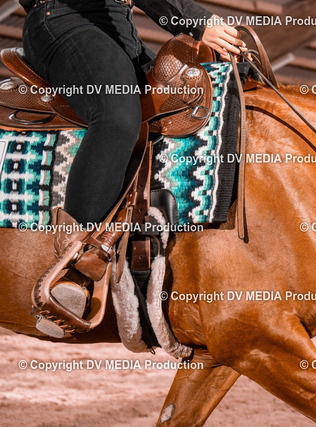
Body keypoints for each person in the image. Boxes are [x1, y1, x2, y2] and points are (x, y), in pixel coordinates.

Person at [20, 0, 244, 335]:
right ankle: (73, 272)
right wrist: (195, 20)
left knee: (207, 91)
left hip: (118, 27)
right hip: (64, 18)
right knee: (117, 117)